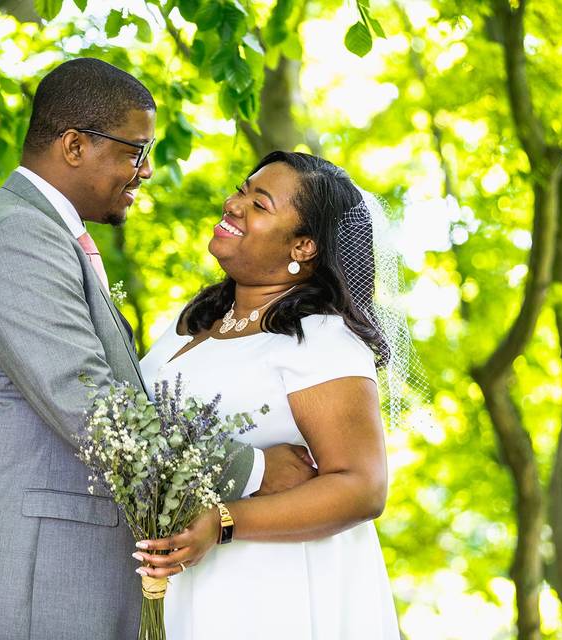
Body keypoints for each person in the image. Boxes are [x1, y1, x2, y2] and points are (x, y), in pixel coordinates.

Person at [0, 58, 312, 640]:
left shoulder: (45, 234)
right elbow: (94, 409)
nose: (144, 171)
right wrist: (256, 469)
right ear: (74, 145)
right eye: (135, 152)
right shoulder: (19, 236)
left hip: (46, 568)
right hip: (15, 572)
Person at [134, 151, 400, 638]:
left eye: (259, 204)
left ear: (303, 246)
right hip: (185, 583)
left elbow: (363, 486)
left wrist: (224, 521)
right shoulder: (189, 325)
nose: (233, 204)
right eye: (242, 189)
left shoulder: (320, 339)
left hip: (271, 591)